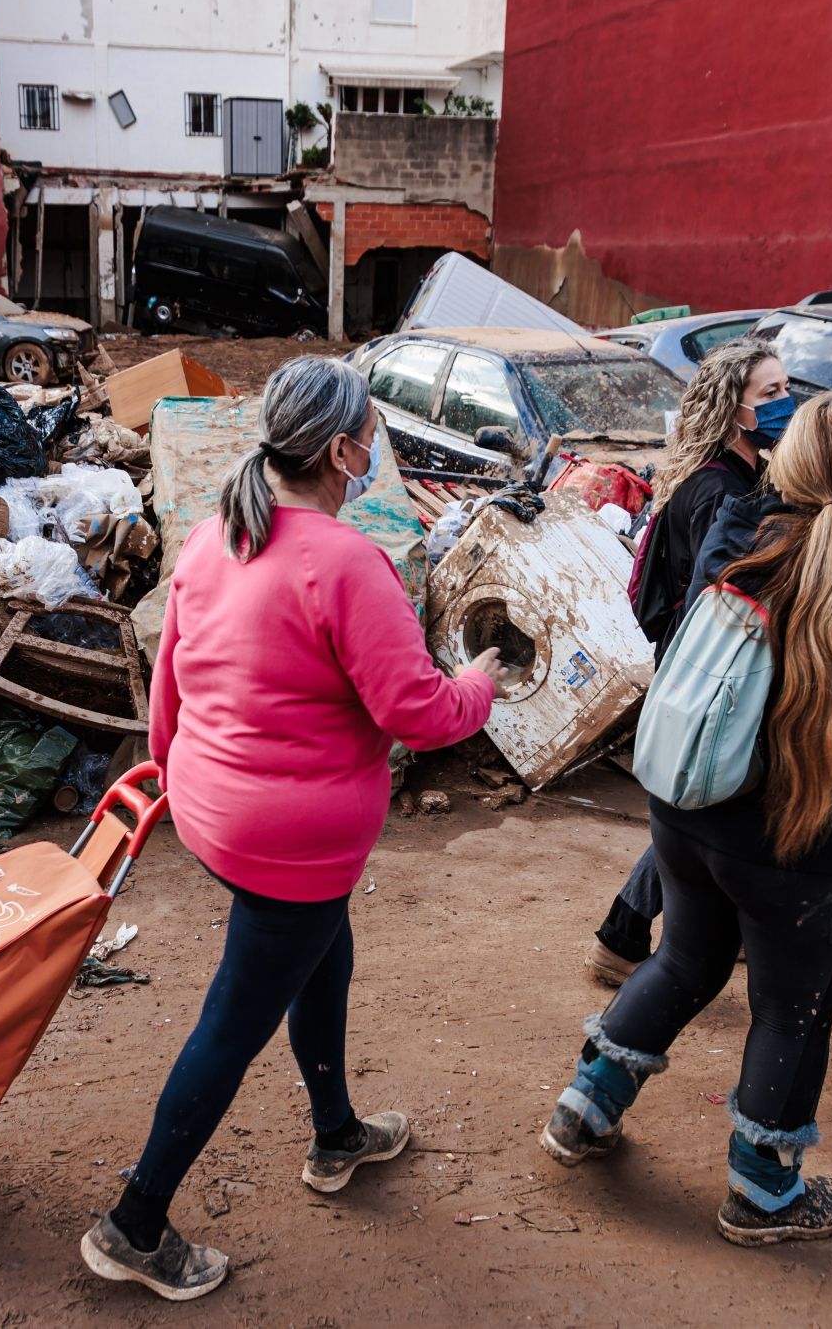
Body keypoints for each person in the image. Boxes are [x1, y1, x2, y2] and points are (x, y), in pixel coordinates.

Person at [541, 389, 832, 1246]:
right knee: (788, 1012)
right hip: (799, 841)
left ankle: (585, 1107)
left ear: (790, 456)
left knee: (684, 959)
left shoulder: (734, 534)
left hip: (686, 810)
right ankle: (763, 1193)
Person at [80, 356, 505, 1300]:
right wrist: (483, 678)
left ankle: (336, 1133)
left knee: (322, 955)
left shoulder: (212, 536)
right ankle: (135, 1222)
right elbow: (423, 713)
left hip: (214, 811)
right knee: (235, 1017)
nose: (374, 455)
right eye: (370, 440)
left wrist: (177, 776)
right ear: (342, 449)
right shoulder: (347, 563)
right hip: (292, 841)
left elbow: (171, 685)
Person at [586, 338, 793, 989]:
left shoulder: (732, 479)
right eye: (772, 395)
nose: (788, 404)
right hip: (707, 673)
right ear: (736, 409)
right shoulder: (717, 492)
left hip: (700, 668)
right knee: (707, 808)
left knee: (711, 805)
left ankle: (685, 928)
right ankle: (624, 932)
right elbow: (723, 597)